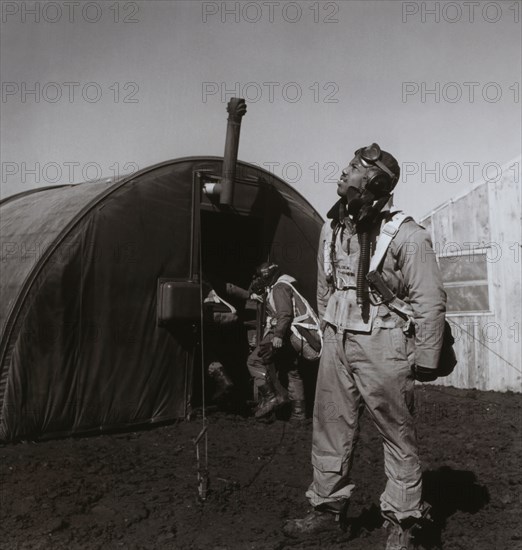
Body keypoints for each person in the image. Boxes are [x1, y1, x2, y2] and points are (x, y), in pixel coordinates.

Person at [283, 143, 447, 550]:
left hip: (385, 344)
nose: (343, 171)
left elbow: (429, 299)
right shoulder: (332, 228)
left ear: (374, 182)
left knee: (397, 433)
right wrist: (330, 328)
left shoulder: (407, 235)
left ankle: (402, 523)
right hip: (338, 338)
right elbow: (325, 287)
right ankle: (325, 510)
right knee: (329, 427)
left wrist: (426, 356)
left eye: (354, 168)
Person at [246, 262, 306, 421]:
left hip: (280, 333)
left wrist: (278, 335)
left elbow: (284, 314)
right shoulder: (287, 283)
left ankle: (271, 397)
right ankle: (298, 414)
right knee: (291, 370)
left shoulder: (279, 287)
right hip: (293, 334)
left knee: (254, 361)